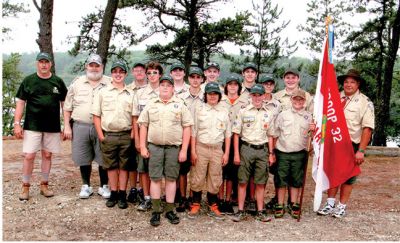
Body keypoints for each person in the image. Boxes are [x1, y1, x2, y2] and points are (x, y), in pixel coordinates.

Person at [317, 69, 374, 218]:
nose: (348, 85)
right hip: (334, 143)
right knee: (333, 173)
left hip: (351, 145)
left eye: (352, 82)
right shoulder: (334, 98)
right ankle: (330, 203)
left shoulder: (364, 102)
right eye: (346, 82)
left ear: (358, 84)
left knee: (348, 177)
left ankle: (341, 206)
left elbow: (367, 128)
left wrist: (361, 150)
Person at [138, 75, 193, 227]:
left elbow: (187, 127)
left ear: (172, 88)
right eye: (162, 85)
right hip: (154, 147)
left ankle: (169, 209)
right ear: (159, 87)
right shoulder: (151, 104)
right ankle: (156, 210)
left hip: (173, 148)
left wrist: (184, 150)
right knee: (155, 178)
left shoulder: (180, 105)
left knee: (171, 179)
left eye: (168, 85)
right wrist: (143, 146)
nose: (165, 87)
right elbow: (143, 125)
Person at [14, 52, 68, 201]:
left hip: (52, 126)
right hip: (32, 125)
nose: (44, 64)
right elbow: (20, 103)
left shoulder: (58, 82)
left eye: (46, 62)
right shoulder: (28, 81)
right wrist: (17, 124)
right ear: (37, 63)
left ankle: (44, 184)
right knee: (29, 155)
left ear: (50, 64)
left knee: (47, 155)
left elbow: (65, 105)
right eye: (41, 62)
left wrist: (66, 125)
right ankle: (25, 186)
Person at [63, 54, 112, 199]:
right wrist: (66, 126)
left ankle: (104, 186)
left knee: (103, 157)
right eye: (91, 65)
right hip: (80, 125)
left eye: (97, 65)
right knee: (83, 156)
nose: (94, 68)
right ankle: (86, 185)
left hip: (102, 127)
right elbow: (67, 107)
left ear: (102, 67)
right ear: (87, 66)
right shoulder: (77, 83)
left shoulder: (109, 83)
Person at [91, 60, 134, 209]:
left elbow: (134, 116)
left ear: (125, 74)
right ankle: (113, 193)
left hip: (125, 135)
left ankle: (122, 194)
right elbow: (96, 115)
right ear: (111, 74)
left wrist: (133, 133)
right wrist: (101, 135)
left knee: (124, 167)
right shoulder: (102, 92)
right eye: (115, 71)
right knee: (111, 167)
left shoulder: (131, 93)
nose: (118, 74)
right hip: (108, 135)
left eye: (121, 72)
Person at [231, 84, 275, 222]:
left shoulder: (268, 113)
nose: (257, 98)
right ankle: (241, 210)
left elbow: (270, 135)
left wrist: (271, 153)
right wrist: (237, 154)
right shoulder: (243, 111)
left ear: (263, 96)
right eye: (254, 95)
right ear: (251, 96)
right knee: (242, 181)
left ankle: (260, 211)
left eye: (259, 95)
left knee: (261, 182)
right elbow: (236, 134)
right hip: (246, 149)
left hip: (262, 150)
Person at [188, 82, 231, 220]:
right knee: (197, 176)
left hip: (217, 149)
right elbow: (193, 132)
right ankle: (196, 204)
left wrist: (227, 153)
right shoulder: (199, 110)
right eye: (210, 94)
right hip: (201, 147)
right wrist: (193, 151)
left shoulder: (224, 111)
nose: (212, 96)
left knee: (215, 177)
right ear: (205, 95)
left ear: (219, 96)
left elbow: (228, 134)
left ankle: (213, 204)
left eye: (215, 94)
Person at [272, 89, 315, 219]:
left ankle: (293, 203)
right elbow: (275, 133)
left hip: (299, 153)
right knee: (281, 179)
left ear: (304, 101)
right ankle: (280, 204)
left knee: (296, 180)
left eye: (300, 99)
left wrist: (313, 131)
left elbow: (312, 137)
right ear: (291, 100)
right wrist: (272, 152)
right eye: (295, 99)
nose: (298, 101)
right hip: (283, 152)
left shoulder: (309, 117)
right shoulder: (283, 115)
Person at [132, 61, 163, 211]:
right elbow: (135, 117)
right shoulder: (140, 93)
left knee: (158, 170)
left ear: (160, 75)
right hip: (144, 136)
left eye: (155, 73)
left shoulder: (166, 90)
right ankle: (147, 197)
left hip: (159, 137)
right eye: (149, 73)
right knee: (143, 169)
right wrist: (138, 139)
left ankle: (159, 197)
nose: (151, 76)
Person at [218, 73, 249, 214]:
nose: (232, 87)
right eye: (230, 84)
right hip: (221, 139)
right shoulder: (220, 101)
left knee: (231, 172)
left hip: (237, 139)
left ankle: (228, 199)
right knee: (219, 170)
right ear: (225, 87)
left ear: (239, 87)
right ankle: (218, 199)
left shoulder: (245, 103)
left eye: (235, 84)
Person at [175, 66, 205, 212]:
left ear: (202, 79)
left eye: (198, 77)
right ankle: (182, 197)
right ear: (189, 79)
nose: (195, 80)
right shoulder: (180, 97)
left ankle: (194, 198)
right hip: (184, 138)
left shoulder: (206, 97)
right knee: (182, 170)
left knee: (196, 170)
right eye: (192, 77)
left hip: (200, 139)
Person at [258, 74, 281, 210]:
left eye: (271, 84)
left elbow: (277, 126)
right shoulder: (256, 100)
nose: (268, 86)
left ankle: (276, 200)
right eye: (265, 84)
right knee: (257, 173)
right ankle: (254, 199)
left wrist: (274, 147)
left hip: (273, 141)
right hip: (258, 141)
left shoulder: (277, 104)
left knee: (274, 173)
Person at [126, 62, 147, 204]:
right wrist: (133, 131)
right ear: (133, 72)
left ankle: (142, 189)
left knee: (143, 163)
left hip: (145, 130)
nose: (139, 73)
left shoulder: (150, 89)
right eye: (136, 70)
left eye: (141, 70)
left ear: (145, 72)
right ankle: (133, 188)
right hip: (130, 129)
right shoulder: (128, 89)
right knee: (132, 162)